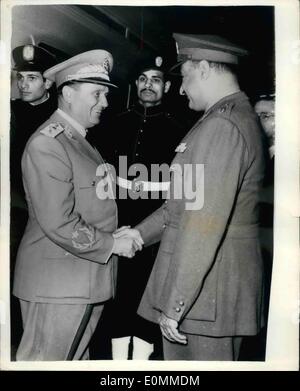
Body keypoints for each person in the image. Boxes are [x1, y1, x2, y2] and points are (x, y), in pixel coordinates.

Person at [114, 33, 266, 361]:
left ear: (206, 69)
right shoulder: (225, 118)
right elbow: (181, 203)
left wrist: (176, 303)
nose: (181, 88)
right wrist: (139, 233)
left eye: (184, 76)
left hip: (207, 296)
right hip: (209, 291)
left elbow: (202, 223)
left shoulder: (222, 126)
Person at [13, 49, 142, 361]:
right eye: (97, 94)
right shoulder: (49, 143)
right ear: (68, 94)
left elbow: (87, 203)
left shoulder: (78, 139)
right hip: (57, 285)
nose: (106, 103)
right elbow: (58, 222)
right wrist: (112, 244)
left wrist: (116, 232)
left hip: (79, 279)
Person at [106, 55, 185, 360]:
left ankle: (139, 364)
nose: (148, 85)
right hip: (118, 219)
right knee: (117, 292)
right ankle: (115, 362)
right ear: (135, 84)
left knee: (146, 292)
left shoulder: (180, 128)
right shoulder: (117, 122)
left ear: (166, 86)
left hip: (157, 224)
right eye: (142, 79)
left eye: (155, 80)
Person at [10, 44, 58, 357]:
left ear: (48, 83)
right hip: (14, 205)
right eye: (21, 77)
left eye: (32, 78)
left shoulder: (59, 117)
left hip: (44, 210)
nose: (24, 84)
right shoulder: (9, 110)